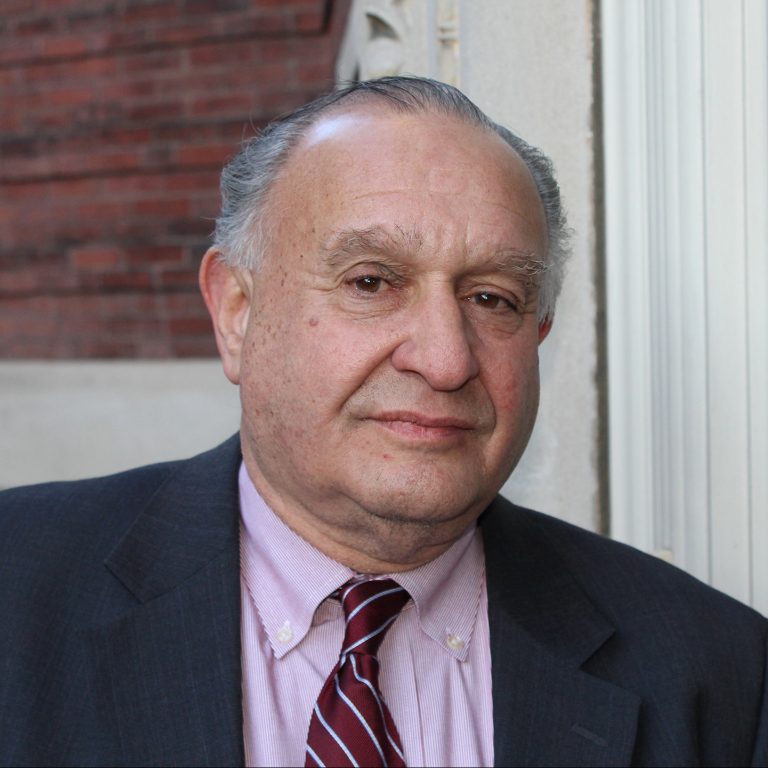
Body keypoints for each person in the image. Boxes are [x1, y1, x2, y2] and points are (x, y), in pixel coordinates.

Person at [0, 76, 765, 768]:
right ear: (236, 312)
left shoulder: (715, 672)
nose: (445, 360)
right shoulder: (18, 593)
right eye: (371, 282)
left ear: (538, 335)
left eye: (492, 298)